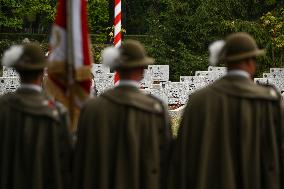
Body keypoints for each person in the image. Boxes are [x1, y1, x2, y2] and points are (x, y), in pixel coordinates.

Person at [168, 32, 284, 189]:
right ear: (251, 62)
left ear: (226, 62)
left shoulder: (198, 101)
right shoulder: (269, 102)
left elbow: (182, 158)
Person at [72, 40, 172, 189]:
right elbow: (166, 159)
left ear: (116, 68)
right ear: (143, 70)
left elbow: (80, 157)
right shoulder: (155, 110)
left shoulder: (92, 108)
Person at [0, 43, 72, 189]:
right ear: (42, 72)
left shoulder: (3, 107)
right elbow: (66, 161)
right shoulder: (58, 112)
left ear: (18, 71)